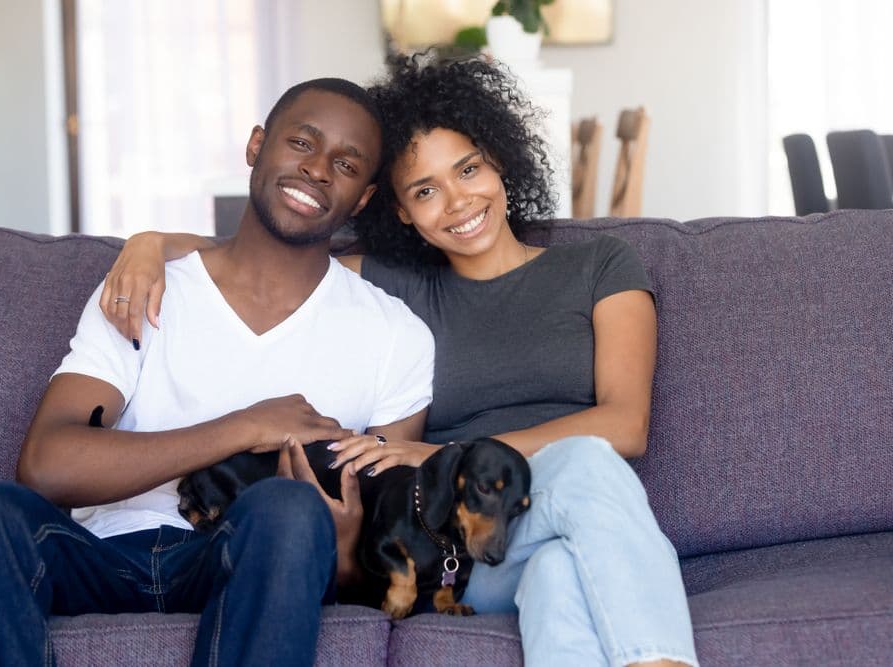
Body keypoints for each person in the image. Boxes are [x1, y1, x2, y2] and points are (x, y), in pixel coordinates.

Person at [100, 57, 698, 667]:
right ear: (401, 212)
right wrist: (148, 243)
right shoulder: (401, 288)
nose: (458, 201)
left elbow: (625, 425)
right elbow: (265, 251)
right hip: (469, 547)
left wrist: (445, 457)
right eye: (426, 191)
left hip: (587, 513)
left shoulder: (599, 264)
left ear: (499, 160)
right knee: (557, 545)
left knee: (563, 551)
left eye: (468, 169)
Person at [0, 77, 436, 667]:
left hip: (247, 556)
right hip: (99, 552)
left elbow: (381, 550)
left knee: (289, 511)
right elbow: (45, 465)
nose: (319, 170)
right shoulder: (147, 287)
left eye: (345, 164)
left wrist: (345, 548)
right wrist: (243, 428)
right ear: (256, 146)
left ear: (365, 197)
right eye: (302, 143)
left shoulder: (396, 337)